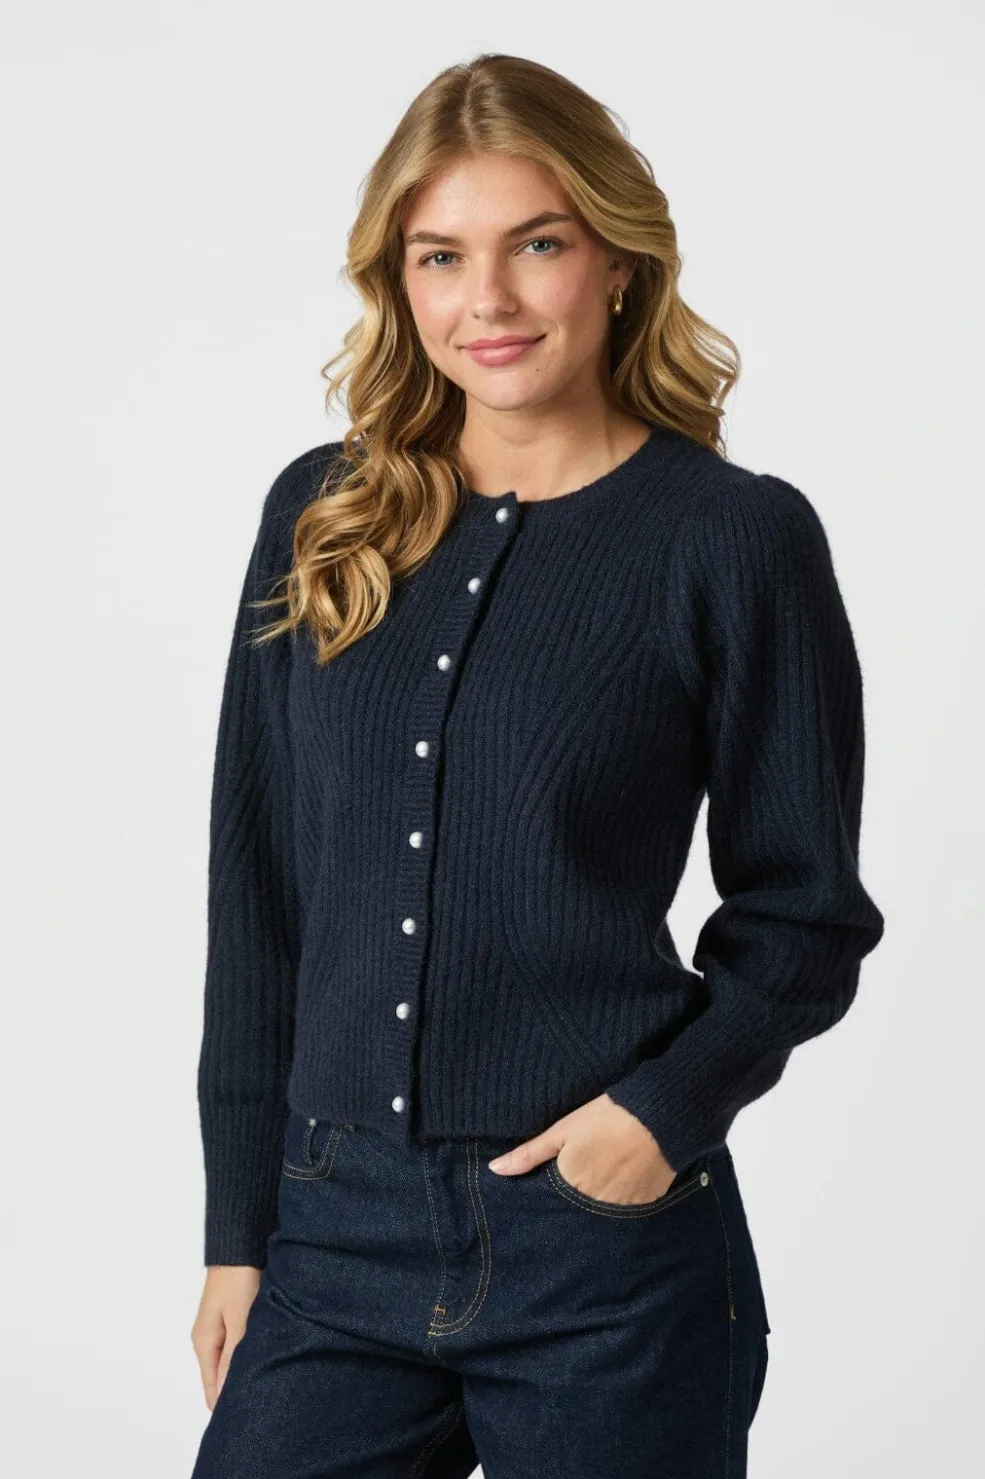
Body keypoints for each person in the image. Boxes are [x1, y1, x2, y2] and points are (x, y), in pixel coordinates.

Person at [189, 51, 884, 1479]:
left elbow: (805, 912)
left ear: (618, 262)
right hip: (332, 1233)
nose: (488, 299)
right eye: (441, 256)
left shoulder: (730, 538)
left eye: (539, 244)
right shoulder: (322, 516)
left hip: (601, 1249)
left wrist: (657, 1120)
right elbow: (259, 896)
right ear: (400, 280)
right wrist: (237, 1232)